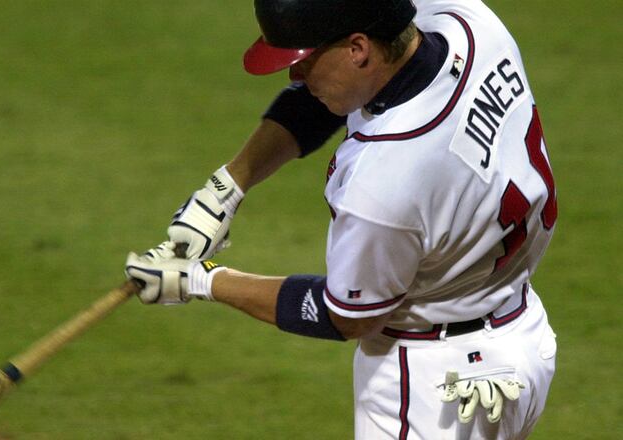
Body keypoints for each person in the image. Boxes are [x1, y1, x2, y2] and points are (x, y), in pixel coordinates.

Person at [125, 0, 558, 438]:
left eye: (306, 59)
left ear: (357, 48)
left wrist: (202, 279)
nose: (294, 74)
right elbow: (330, 96)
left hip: (434, 389)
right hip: (520, 333)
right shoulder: (471, 24)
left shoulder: (384, 182)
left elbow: (348, 316)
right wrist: (225, 190)